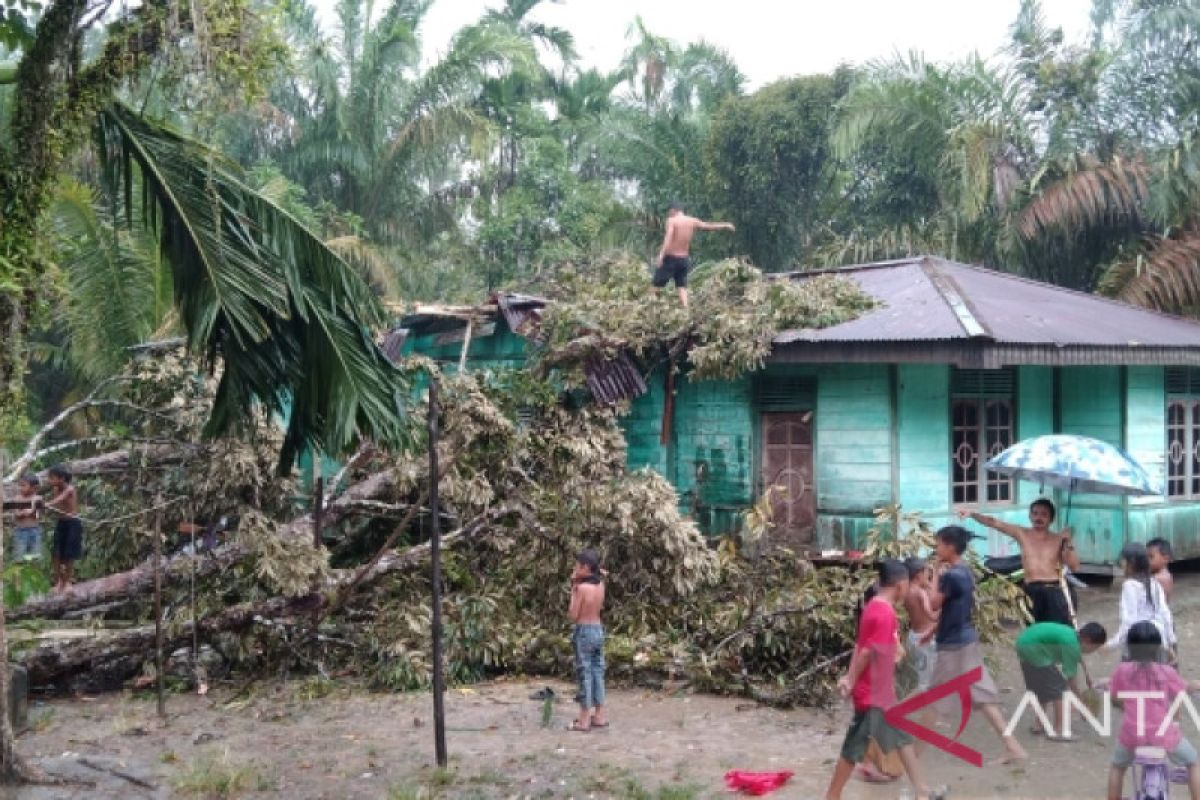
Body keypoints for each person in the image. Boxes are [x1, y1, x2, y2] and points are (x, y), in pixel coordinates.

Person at [824, 559, 939, 800]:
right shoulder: (885, 613)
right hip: (873, 695)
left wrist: (849, 676)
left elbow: (860, 645)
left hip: (880, 692)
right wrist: (852, 679)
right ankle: (832, 796)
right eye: (907, 584)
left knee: (902, 739)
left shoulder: (872, 607)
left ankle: (922, 791)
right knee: (852, 749)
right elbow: (867, 651)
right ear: (900, 584)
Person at [927, 525, 1028, 763]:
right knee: (979, 695)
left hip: (954, 646)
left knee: (934, 696)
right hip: (964, 638)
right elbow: (956, 608)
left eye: (939, 543)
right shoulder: (965, 570)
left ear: (950, 546)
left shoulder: (950, 575)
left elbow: (933, 605)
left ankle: (908, 754)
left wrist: (934, 576)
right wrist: (933, 629)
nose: (936, 548)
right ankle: (1013, 746)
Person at [1102, 621, 1200, 800]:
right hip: (1163, 735)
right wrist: (1194, 685)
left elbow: (1115, 698)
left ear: (1129, 647)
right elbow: (1183, 690)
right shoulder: (1166, 672)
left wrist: (1124, 704)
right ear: (1157, 648)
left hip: (1132, 735)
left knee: (1117, 767)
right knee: (1193, 762)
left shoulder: (1121, 671)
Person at [959, 498, 1080, 625]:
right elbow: (993, 522)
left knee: (1056, 628)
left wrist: (1068, 542)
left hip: (1054, 590)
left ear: (1051, 519)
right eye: (1035, 513)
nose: (1039, 518)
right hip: (1031, 590)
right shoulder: (1022, 533)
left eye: (1044, 514)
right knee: (1033, 631)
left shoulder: (1058, 539)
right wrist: (972, 514)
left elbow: (1075, 567)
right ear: (1030, 516)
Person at [1015, 621, 1107, 738]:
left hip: (1024, 643)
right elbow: (1071, 680)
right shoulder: (1072, 646)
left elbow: (1079, 657)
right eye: (1095, 648)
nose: (1093, 651)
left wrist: (1086, 674)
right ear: (1088, 640)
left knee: (1040, 688)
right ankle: (1059, 731)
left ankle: (1038, 724)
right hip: (1036, 651)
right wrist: (1082, 706)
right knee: (1060, 690)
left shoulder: (1072, 635)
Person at [653, 202, 735, 307]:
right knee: (681, 286)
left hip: (671, 259)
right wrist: (725, 225)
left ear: (673, 210)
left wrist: (661, 255)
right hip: (684, 260)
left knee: (656, 285)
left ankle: (650, 306)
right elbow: (709, 226)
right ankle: (686, 309)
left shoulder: (672, 221)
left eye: (669, 211)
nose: (669, 213)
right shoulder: (692, 221)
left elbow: (668, 237)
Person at [1107, 542, 1175, 662]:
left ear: (1131, 563)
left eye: (1123, 561)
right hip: (1158, 641)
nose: (1121, 564)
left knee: (1135, 678)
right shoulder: (1154, 583)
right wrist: (1171, 641)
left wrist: (1112, 644)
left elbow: (1128, 622)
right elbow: (1165, 614)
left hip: (1137, 644)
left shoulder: (1130, 586)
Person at [568, 549, 607, 732]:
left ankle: (583, 719)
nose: (575, 568)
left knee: (585, 672)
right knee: (598, 670)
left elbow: (573, 615)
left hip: (584, 630)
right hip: (598, 629)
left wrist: (573, 587)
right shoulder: (600, 585)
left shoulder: (581, 588)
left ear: (585, 567)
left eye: (578, 565)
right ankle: (598, 715)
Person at [903, 556, 939, 693]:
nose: (928, 575)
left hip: (913, 637)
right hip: (926, 640)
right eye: (926, 572)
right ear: (919, 574)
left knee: (921, 673)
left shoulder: (906, 591)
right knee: (927, 680)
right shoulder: (920, 593)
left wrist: (931, 579)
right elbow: (931, 614)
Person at [45, 464, 82, 593]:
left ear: (61, 478)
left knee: (69, 555)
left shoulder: (70, 489)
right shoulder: (56, 489)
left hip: (73, 523)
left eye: (52, 478)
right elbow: (56, 506)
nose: (49, 480)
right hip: (61, 523)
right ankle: (58, 582)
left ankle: (67, 583)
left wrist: (45, 504)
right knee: (56, 554)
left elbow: (59, 500)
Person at [10, 473, 43, 561]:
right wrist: (23, 513)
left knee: (34, 557)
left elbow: (38, 515)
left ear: (33, 488)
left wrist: (32, 510)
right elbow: (16, 514)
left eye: (23, 485)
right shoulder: (17, 499)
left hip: (34, 530)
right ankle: (18, 574)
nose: (20, 488)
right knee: (19, 558)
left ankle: (32, 573)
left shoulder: (38, 499)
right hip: (20, 531)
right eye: (20, 485)